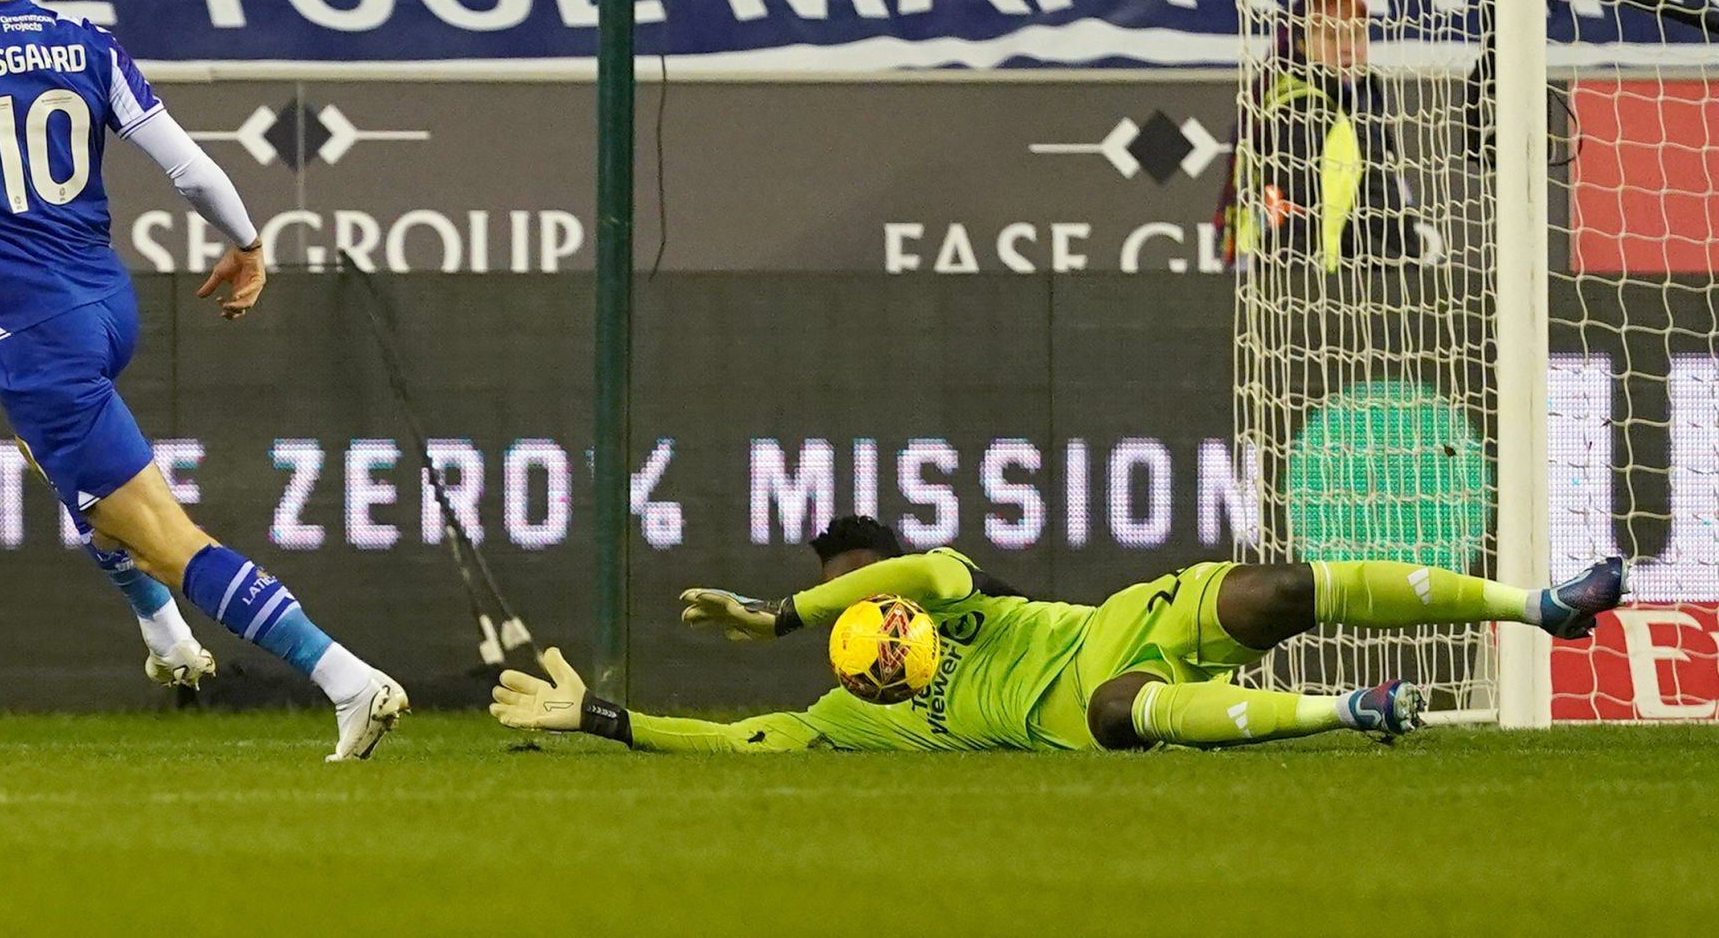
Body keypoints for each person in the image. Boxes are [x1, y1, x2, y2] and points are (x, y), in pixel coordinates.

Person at [0, 0, 405, 760]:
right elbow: (190, 169)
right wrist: (246, 241)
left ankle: (346, 678)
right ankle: (164, 633)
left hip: (37, 335)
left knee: (165, 536)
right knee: (67, 469)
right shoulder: (86, 43)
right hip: (106, 306)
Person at [488, 515, 1622, 753]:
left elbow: (920, 566)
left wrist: (784, 610)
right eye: (840, 611)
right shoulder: (842, 720)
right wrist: (602, 718)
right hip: (1090, 711)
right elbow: (741, 744)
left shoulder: (951, 595)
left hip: (1128, 618)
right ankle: (1350, 712)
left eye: (862, 599)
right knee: (1116, 710)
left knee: (1270, 591)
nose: (864, 622)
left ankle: (1538, 606)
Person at [1214, 0, 1424, 273]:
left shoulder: (1360, 102)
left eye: (1356, 34)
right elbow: (1289, 211)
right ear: (1302, 43)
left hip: (1380, 280)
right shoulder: (1300, 109)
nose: (1347, 48)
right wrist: (1294, 294)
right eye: (1330, 36)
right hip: (1340, 289)